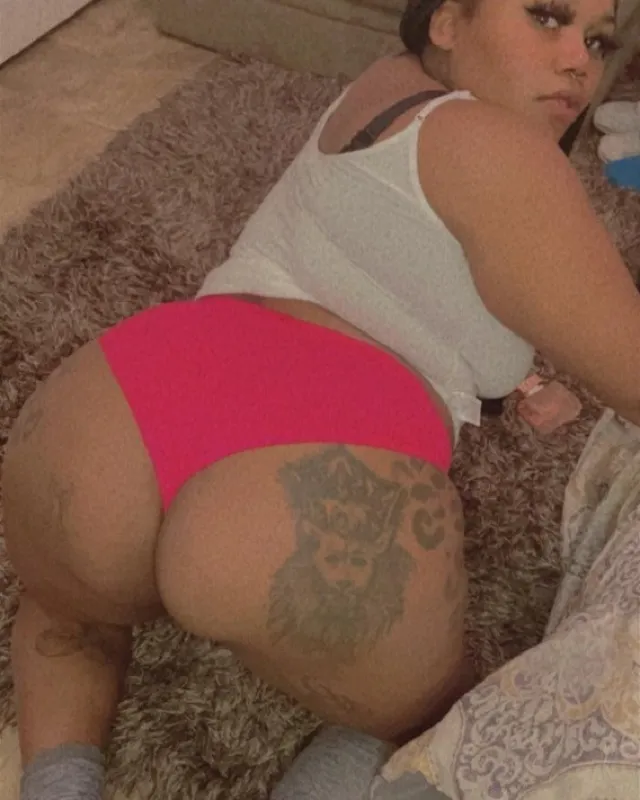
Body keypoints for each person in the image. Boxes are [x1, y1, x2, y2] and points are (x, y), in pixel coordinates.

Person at [3, 0, 639, 798]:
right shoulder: (507, 153)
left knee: (68, 618)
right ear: (447, 22)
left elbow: (413, 263)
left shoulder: (385, 87)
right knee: (441, 722)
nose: (580, 60)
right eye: (546, 16)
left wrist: (525, 378)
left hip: (125, 405)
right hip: (313, 486)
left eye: (597, 40)